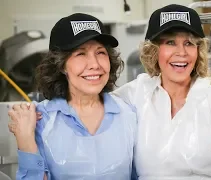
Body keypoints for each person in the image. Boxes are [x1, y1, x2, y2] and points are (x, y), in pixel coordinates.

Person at [112, 4, 211, 180]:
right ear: (154, 50)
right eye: (170, 42)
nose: (181, 53)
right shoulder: (136, 95)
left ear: (198, 51)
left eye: (189, 43)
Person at [7, 13, 137, 180]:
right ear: (61, 65)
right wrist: (25, 138)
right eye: (80, 54)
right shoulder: (41, 119)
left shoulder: (128, 114)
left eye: (101, 52)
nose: (94, 65)